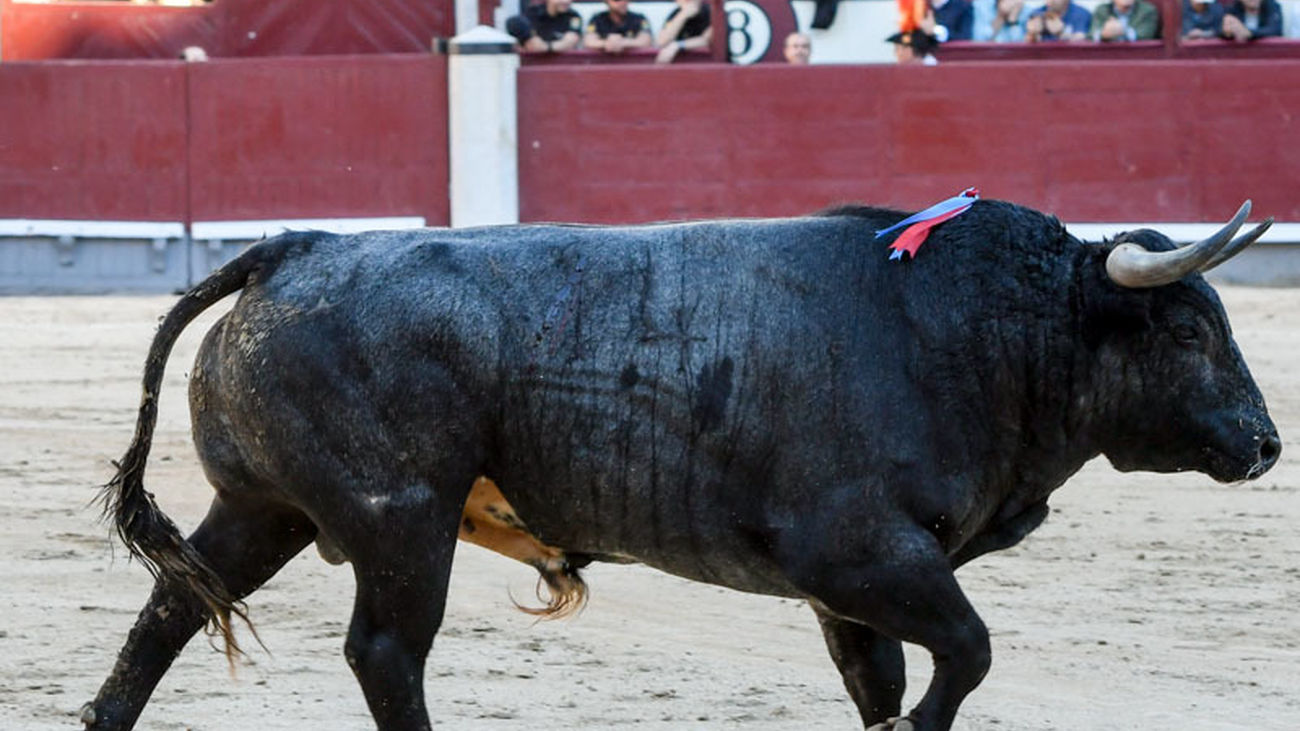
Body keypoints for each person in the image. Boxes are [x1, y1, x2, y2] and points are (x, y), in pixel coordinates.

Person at [505, 0, 583, 54]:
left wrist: (546, 47)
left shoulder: (573, 16)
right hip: (532, 64)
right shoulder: (532, 13)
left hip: (562, 64)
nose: (566, 1)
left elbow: (570, 41)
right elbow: (525, 42)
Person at [583, 0, 653, 54]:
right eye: (616, 0)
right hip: (604, 64)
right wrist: (605, 43)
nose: (622, 3)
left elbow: (646, 41)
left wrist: (623, 43)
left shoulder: (639, 19)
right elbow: (588, 41)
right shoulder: (597, 19)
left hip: (632, 64)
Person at [1089, 0, 1160, 41]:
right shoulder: (1102, 10)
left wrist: (1124, 31)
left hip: (1137, 57)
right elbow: (1092, 33)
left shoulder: (1147, 10)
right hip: (1107, 56)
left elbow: (1146, 35)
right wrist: (1103, 33)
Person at [1025, 0, 1091, 41]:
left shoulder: (1081, 13)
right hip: (1043, 58)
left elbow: (1083, 40)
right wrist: (1033, 34)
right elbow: (1027, 44)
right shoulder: (1037, 13)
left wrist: (1061, 33)